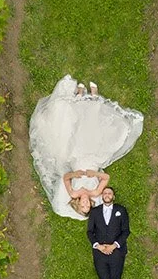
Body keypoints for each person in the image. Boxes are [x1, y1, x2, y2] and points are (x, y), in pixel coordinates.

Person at [28, 74, 143, 220]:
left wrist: (74, 175)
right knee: (95, 132)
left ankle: (80, 96)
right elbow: (106, 177)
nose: (85, 204)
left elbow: (65, 178)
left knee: (77, 132)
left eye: (83, 206)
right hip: (94, 160)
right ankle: (94, 97)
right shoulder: (95, 193)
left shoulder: (73, 193)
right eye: (88, 206)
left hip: (76, 160)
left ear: (78, 205)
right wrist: (94, 174)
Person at [86, 186, 129, 279]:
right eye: (105, 193)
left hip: (116, 253)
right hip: (100, 254)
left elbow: (126, 231)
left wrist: (114, 245)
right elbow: (90, 232)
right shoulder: (95, 212)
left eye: (109, 193)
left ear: (113, 196)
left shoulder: (121, 210)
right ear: (102, 196)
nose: (107, 194)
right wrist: (98, 246)